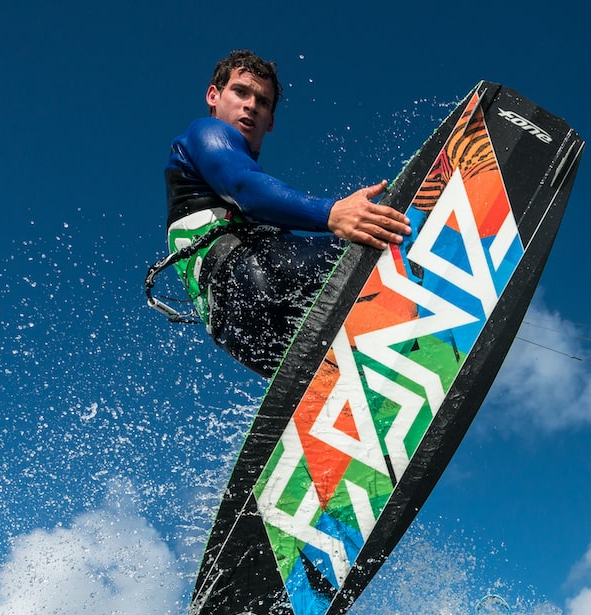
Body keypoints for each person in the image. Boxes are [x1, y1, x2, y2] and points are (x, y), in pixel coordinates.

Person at [149, 49, 411, 377]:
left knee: (336, 378)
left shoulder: (207, 186)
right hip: (260, 274)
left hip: (235, 332)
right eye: (240, 92)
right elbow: (244, 187)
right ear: (213, 96)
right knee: (386, 241)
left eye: (262, 102)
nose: (251, 106)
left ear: (270, 120)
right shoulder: (205, 133)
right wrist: (332, 214)